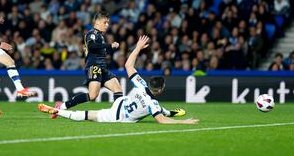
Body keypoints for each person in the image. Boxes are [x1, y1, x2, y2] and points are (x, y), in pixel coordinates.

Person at [38, 35, 199, 124]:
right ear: (161, 90)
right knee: (88, 116)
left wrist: (137, 48)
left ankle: (172, 112)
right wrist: (184, 122)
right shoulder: (153, 104)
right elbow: (161, 120)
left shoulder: (141, 84)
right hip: (117, 115)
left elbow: (129, 65)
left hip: (121, 102)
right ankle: (58, 111)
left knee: (118, 90)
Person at [52, 12, 123, 118]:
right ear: (97, 22)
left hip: (102, 68)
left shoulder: (100, 36)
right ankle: (61, 106)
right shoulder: (92, 33)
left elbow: (96, 49)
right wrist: (110, 45)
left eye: (108, 22)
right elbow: (92, 45)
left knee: (118, 89)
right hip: (94, 67)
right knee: (93, 95)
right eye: (105, 22)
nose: (107, 25)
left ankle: (119, 114)